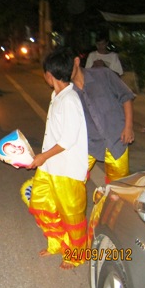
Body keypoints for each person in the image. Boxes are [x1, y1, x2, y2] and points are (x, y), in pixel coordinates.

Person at [26, 47, 88, 269]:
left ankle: (76, 255)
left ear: (49, 75)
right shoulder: (57, 95)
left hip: (67, 169)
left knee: (71, 213)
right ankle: (56, 243)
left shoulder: (70, 100)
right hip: (51, 166)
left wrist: (42, 156)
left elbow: (69, 139)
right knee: (40, 202)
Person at [73, 51, 135, 184]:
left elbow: (126, 97)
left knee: (118, 187)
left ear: (76, 61)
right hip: (88, 143)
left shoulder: (103, 74)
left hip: (117, 138)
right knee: (73, 181)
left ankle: (108, 204)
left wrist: (128, 127)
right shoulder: (68, 91)